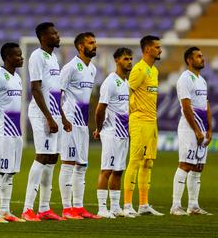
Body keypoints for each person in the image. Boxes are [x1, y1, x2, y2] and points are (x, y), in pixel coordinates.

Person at [22, 22, 64, 221]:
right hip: (41, 114)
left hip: (54, 114)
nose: (57, 35)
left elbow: (54, 89)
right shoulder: (37, 56)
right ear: (43, 37)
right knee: (42, 156)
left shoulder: (53, 57)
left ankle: (45, 208)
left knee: (52, 158)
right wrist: (48, 117)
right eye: (53, 33)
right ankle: (28, 209)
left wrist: (61, 117)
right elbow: (36, 89)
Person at [58, 32, 100, 220]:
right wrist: (63, 119)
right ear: (81, 47)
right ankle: (67, 209)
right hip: (69, 121)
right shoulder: (70, 68)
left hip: (82, 123)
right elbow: (56, 95)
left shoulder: (92, 69)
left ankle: (79, 207)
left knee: (82, 164)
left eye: (95, 42)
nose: (95, 45)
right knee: (68, 163)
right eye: (91, 43)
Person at [123, 35, 164, 217]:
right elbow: (126, 93)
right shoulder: (139, 69)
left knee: (148, 163)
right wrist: (129, 114)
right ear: (148, 49)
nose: (160, 50)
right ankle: (126, 205)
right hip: (139, 121)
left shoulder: (153, 71)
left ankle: (144, 204)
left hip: (152, 121)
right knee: (135, 161)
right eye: (157, 47)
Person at [171, 47, 213, 216]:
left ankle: (193, 206)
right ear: (189, 60)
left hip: (202, 129)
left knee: (198, 167)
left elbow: (206, 105)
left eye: (202, 56)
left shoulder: (201, 80)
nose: (202, 59)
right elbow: (186, 107)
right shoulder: (184, 79)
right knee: (186, 164)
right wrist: (196, 130)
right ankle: (175, 206)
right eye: (198, 56)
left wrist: (209, 129)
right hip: (190, 129)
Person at [0, 42, 25, 222]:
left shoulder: (17, 78)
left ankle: (5, 211)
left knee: (10, 172)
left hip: (16, 131)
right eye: (18, 55)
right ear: (8, 57)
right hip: (2, 130)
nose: (21, 57)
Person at [93, 48, 132, 218]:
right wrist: (99, 128)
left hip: (123, 132)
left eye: (130, 59)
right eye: (125, 59)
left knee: (118, 170)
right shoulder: (110, 82)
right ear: (116, 60)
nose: (129, 62)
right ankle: (102, 208)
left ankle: (115, 207)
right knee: (106, 170)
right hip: (110, 132)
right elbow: (100, 108)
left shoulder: (125, 82)